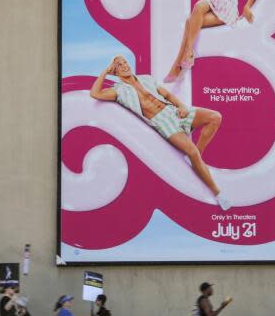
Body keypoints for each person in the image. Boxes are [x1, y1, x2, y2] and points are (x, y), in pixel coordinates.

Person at [91, 55, 229, 210]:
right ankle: (218, 193)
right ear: (114, 72)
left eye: (125, 62)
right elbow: (95, 94)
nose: (124, 66)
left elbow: (167, 95)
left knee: (215, 117)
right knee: (192, 152)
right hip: (162, 122)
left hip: (173, 110)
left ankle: (199, 158)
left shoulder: (146, 79)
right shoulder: (117, 91)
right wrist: (104, 72)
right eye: (119, 65)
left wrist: (182, 107)